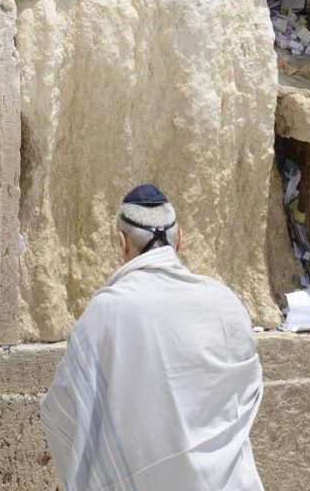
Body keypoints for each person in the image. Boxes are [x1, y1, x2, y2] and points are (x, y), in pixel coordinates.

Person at [40, 184, 265, 491]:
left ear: (122, 242)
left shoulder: (104, 314)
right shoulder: (225, 303)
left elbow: (63, 406)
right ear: (179, 240)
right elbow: (246, 391)